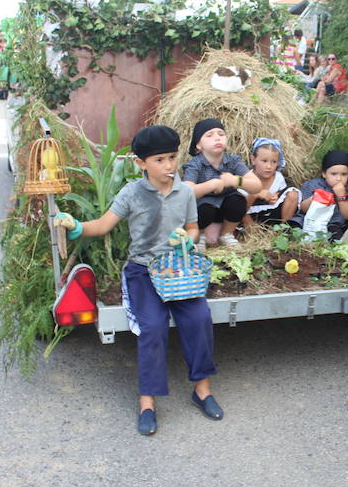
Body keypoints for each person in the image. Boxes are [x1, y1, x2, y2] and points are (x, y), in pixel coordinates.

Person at [53, 125, 224, 435]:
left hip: (177, 269)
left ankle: (202, 391)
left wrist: (187, 238)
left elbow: (193, 227)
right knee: (153, 326)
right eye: (159, 160)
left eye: (172, 157)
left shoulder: (184, 191)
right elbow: (103, 225)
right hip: (142, 271)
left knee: (199, 317)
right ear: (141, 163)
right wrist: (76, 226)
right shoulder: (131, 192)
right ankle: (147, 402)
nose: (169, 166)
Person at [181, 118, 261, 249]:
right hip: (204, 209)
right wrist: (212, 184)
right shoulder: (195, 164)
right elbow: (187, 191)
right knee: (204, 208)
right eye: (209, 135)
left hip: (225, 210)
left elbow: (257, 186)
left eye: (221, 134)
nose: (217, 138)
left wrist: (236, 181)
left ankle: (226, 234)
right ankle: (200, 237)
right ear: (199, 145)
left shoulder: (233, 161)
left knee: (238, 201)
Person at [289, 150, 348, 241]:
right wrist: (314, 198)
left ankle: (342, 242)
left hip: (331, 224)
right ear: (324, 174)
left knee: (335, 234)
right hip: (309, 220)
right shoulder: (313, 185)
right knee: (294, 227)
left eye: (344, 174)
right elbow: (302, 208)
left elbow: (347, 215)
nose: (339, 179)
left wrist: (341, 197)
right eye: (333, 174)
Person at [241, 138, 300, 227]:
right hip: (252, 215)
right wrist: (256, 194)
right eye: (264, 161)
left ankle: (284, 229)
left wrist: (276, 195)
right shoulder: (247, 179)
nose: (269, 166)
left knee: (293, 194)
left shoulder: (278, 177)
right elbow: (240, 207)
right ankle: (253, 231)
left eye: (274, 162)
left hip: (272, 215)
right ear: (253, 160)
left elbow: (282, 192)